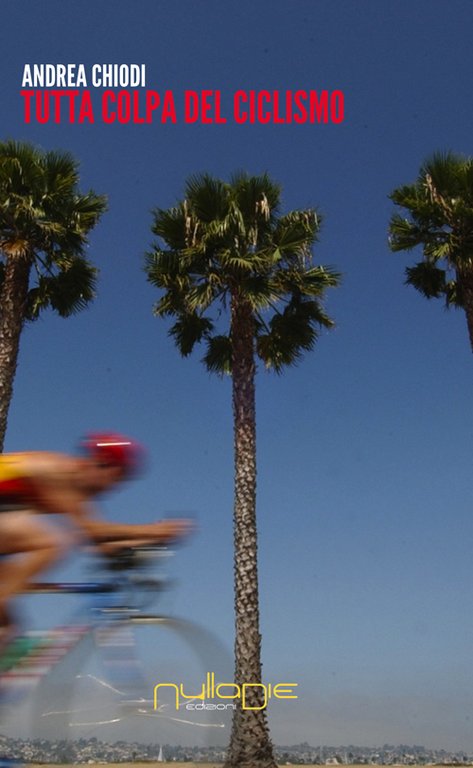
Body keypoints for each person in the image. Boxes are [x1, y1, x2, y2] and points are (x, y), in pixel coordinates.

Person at [0, 432, 192, 644]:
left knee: (7, 629)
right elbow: (92, 531)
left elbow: (98, 543)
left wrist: (145, 547)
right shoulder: (57, 471)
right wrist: (153, 531)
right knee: (50, 543)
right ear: (105, 465)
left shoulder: (76, 493)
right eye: (118, 478)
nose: (115, 488)